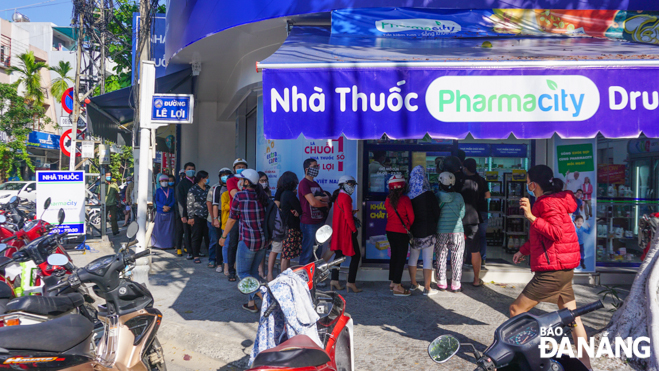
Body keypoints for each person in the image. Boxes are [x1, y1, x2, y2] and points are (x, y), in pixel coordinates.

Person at [510, 164, 591, 369]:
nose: (527, 186)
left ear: (534, 184)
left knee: (516, 311)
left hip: (552, 271)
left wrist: (530, 216)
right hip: (563, 268)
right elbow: (541, 237)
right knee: (572, 319)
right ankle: (586, 365)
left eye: (528, 182)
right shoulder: (553, 201)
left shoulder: (547, 203)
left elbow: (555, 233)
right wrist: (523, 251)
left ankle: (536, 355)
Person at [219, 169, 269, 313]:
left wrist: (223, 237)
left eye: (241, 179)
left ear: (246, 182)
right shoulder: (262, 195)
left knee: (242, 273)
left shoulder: (240, 196)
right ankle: (251, 304)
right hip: (262, 241)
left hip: (247, 241)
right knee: (253, 272)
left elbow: (232, 218)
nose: (239, 182)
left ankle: (266, 297)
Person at [407, 166, 441, 296]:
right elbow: (437, 212)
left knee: (413, 257)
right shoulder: (429, 195)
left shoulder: (408, 196)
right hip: (428, 230)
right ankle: (427, 288)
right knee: (427, 259)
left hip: (414, 231)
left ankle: (413, 283)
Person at [330, 175, 362, 293]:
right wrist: (354, 229)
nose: (352, 186)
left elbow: (343, 213)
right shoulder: (346, 198)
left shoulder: (339, 196)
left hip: (338, 230)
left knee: (338, 256)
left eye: (353, 184)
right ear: (342, 184)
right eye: (350, 184)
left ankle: (334, 280)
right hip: (346, 230)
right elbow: (348, 218)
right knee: (356, 256)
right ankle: (351, 283)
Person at [435, 172, 466, 292]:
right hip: (457, 231)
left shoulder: (437, 196)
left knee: (441, 256)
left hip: (441, 231)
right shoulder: (459, 196)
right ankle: (456, 284)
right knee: (457, 257)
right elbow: (462, 213)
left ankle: (442, 282)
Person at [385, 175, 414, 297]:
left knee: (394, 257)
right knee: (401, 259)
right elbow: (411, 217)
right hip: (402, 232)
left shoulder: (387, 200)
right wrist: (408, 226)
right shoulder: (406, 200)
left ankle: (392, 282)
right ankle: (397, 285)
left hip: (390, 231)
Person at [461, 158, 488, 287]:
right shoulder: (480, 180)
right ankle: (476, 279)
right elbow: (487, 195)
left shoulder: (460, 181)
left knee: (457, 248)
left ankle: (455, 281)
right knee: (476, 246)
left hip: (460, 218)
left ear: (465, 168)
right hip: (475, 216)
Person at [298, 158, 329, 265]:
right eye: (314, 167)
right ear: (307, 169)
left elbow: (327, 197)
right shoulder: (304, 184)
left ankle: (313, 278)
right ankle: (303, 279)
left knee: (317, 253)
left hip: (319, 222)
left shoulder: (315, 184)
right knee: (307, 253)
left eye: (317, 166)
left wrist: (320, 198)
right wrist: (323, 203)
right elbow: (314, 203)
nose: (317, 169)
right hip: (309, 223)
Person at [271, 171, 302, 281]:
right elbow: (299, 209)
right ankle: (284, 278)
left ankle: (285, 277)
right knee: (286, 255)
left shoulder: (284, 194)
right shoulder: (289, 194)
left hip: (285, 226)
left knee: (286, 254)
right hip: (290, 227)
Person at [224, 158, 249, 282]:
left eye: (243, 166)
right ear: (234, 169)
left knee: (245, 244)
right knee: (233, 244)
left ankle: (243, 270)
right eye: (238, 166)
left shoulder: (248, 179)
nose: (241, 168)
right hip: (236, 215)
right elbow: (235, 194)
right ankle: (231, 271)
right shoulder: (231, 180)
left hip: (249, 216)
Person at [186, 170, 210, 264]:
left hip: (207, 216)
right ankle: (196, 255)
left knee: (208, 236)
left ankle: (211, 255)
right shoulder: (193, 189)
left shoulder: (208, 188)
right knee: (197, 236)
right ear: (202, 178)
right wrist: (190, 217)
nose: (207, 180)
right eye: (206, 178)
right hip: (197, 216)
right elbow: (189, 204)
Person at [213, 168, 232, 273]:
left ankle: (231, 264)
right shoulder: (218, 188)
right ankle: (220, 263)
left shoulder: (237, 188)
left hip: (233, 217)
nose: (225, 177)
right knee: (221, 241)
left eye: (227, 175)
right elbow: (215, 205)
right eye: (223, 175)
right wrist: (215, 219)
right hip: (222, 216)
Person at [176, 162, 196, 257]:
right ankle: (189, 251)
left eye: (192, 169)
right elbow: (180, 200)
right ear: (185, 171)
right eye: (188, 169)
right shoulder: (181, 184)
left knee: (195, 232)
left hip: (196, 212)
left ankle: (195, 250)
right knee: (186, 232)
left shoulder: (196, 182)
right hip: (186, 212)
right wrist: (183, 215)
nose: (190, 171)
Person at [151, 174, 176, 249]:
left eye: (166, 180)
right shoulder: (158, 190)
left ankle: (169, 244)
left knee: (170, 229)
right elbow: (156, 201)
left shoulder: (171, 190)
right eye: (162, 181)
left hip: (170, 211)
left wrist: (169, 206)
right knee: (159, 229)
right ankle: (158, 244)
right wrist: (163, 206)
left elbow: (173, 200)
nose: (164, 182)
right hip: (160, 211)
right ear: (160, 182)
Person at [206, 171, 222, 269]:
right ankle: (212, 259)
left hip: (225, 219)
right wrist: (213, 218)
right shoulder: (214, 188)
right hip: (213, 219)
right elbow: (209, 203)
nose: (225, 177)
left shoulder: (230, 187)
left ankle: (221, 259)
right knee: (214, 240)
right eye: (223, 176)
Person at [257, 171, 272, 278]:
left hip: (266, 223)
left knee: (263, 249)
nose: (264, 183)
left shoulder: (268, 192)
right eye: (262, 180)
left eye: (266, 180)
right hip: (257, 223)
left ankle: (261, 270)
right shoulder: (254, 193)